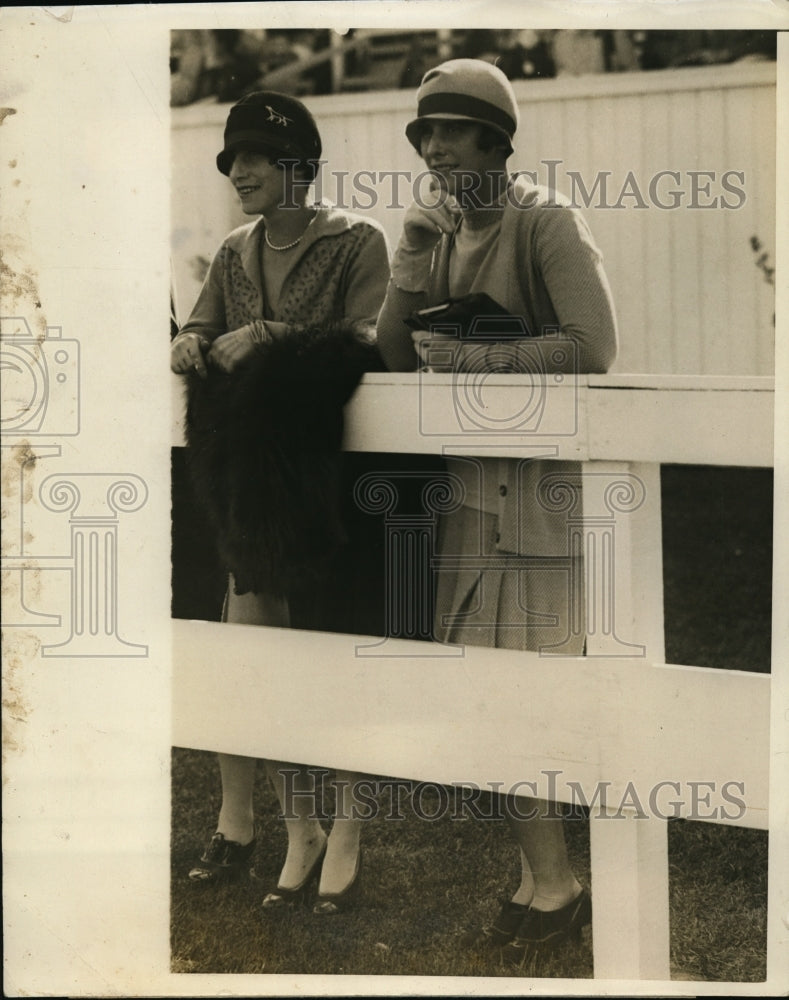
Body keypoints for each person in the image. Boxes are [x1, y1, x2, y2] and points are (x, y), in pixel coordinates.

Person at [377, 59, 618, 963]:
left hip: (543, 494)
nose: (433, 150)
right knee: (485, 691)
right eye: (422, 134)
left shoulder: (546, 218)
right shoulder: (434, 232)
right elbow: (396, 359)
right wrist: (408, 255)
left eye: (450, 132)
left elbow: (594, 346)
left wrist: (482, 363)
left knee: (528, 691)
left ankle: (554, 886)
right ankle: (537, 878)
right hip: (475, 486)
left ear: (495, 140)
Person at [171, 91, 389, 913]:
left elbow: (373, 341)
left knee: (335, 663)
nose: (241, 173)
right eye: (233, 160)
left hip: (330, 497)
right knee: (258, 670)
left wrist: (272, 340)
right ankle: (298, 831)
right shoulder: (233, 251)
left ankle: (349, 833)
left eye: (259, 158)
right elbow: (196, 331)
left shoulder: (356, 241)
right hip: (250, 499)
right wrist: (193, 342)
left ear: (301, 167)